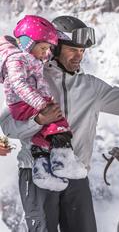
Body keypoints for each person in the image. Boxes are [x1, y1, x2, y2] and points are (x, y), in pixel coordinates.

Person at [0, 15, 119, 232]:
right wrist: (39, 121)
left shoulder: (91, 87)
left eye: (83, 51)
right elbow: (8, 127)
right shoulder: (33, 78)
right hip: (37, 174)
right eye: (73, 49)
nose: (79, 56)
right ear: (55, 48)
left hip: (76, 174)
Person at [0, 15, 86, 193]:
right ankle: (63, 159)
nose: (46, 53)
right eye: (43, 47)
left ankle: (43, 169)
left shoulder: (32, 60)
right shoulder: (17, 60)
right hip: (23, 105)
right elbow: (19, 84)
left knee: (43, 136)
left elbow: (38, 83)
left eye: (49, 48)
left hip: (30, 103)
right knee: (57, 123)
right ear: (27, 43)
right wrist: (41, 106)